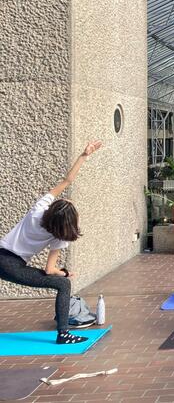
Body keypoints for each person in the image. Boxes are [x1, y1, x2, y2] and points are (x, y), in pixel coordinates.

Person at [0, 141, 102, 344]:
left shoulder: (39, 209)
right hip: (11, 265)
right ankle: (63, 334)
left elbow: (67, 180)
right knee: (63, 284)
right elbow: (49, 270)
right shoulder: (59, 234)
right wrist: (64, 273)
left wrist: (83, 155)